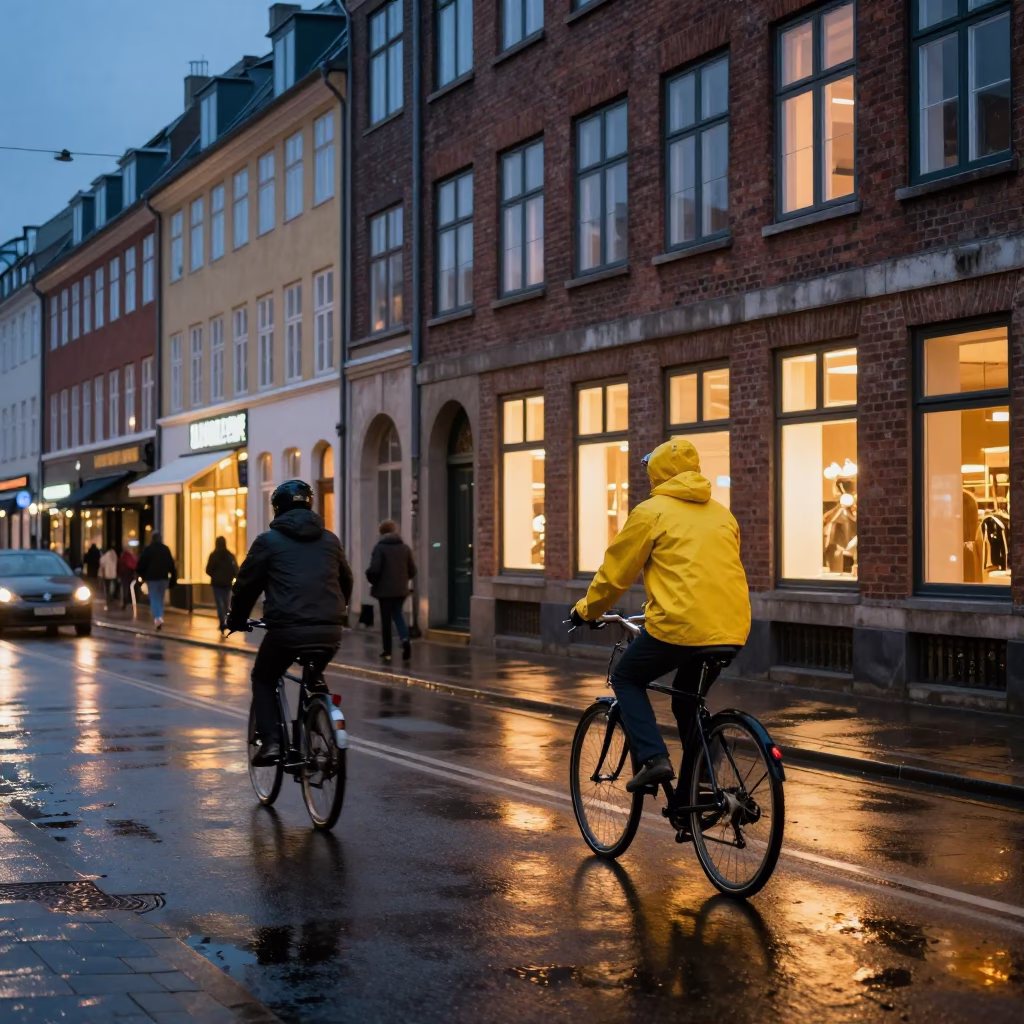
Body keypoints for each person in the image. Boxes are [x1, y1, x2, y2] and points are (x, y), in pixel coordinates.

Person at [570, 439, 751, 793]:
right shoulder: (722, 514)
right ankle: (702, 786)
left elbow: (615, 574)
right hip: (731, 629)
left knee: (626, 678)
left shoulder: (651, 512)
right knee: (688, 698)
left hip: (679, 627)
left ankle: (655, 759)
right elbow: (709, 572)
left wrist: (584, 610)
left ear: (656, 472)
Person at [226, 479, 353, 766]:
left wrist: (236, 618)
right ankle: (318, 701)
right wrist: (339, 611)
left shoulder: (268, 542)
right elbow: (346, 579)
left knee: (264, 677)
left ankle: (271, 742)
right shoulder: (330, 539)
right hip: (329, 629)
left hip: (286, 629)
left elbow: (246, 586)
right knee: (314, 671)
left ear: (277, 509)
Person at [366, 519, 417, 662]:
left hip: (384, 591)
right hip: (401, 590)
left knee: (386, 621)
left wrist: (371, 579)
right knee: (398, 615)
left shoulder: (380, 548)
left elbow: (374, 570)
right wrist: (404, 580)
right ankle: (405, 639)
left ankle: (387, 651)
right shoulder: (405, 548)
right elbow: (412, 570)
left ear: (381, 532)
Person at [136, 532, 177, 631]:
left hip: (152, 578)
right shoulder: (165, 549)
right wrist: (173, 577)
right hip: (163, 577)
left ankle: (157, 617)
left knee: (154, 598)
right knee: (160, 598)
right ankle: (159, 616)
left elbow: (141, 564)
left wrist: (141, 575)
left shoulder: (148, 550)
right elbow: (171, 564)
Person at [205, 536, 238, 634]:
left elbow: (208, 569)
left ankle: (222, 622)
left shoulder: (213, 555)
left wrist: (214, 575)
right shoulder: (229, 555)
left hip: (217, 583)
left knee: (219, 604)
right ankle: (227, 620)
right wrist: (231, 577)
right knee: (226, 602)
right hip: (227, 583)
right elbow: (235, 569)